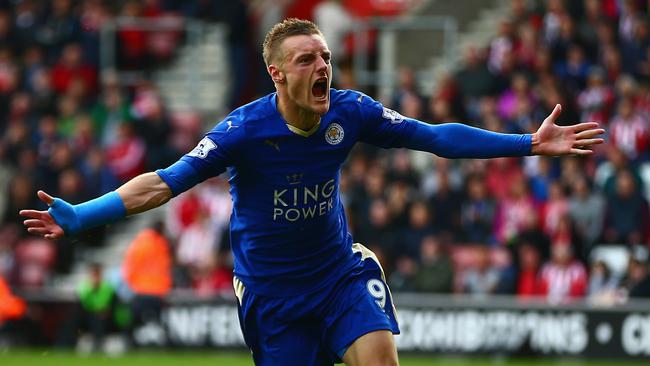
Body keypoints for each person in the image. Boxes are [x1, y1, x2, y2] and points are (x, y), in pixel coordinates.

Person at [20, 18, 604, 366]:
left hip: (338, 275)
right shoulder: (243, 132)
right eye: (307, 59)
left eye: (325, 56)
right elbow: (163, 184)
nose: (322, 65)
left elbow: (434, 137)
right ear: (278, 74)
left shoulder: (349, 113)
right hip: (274, 296)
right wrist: (85, 215)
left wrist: (527, 143)